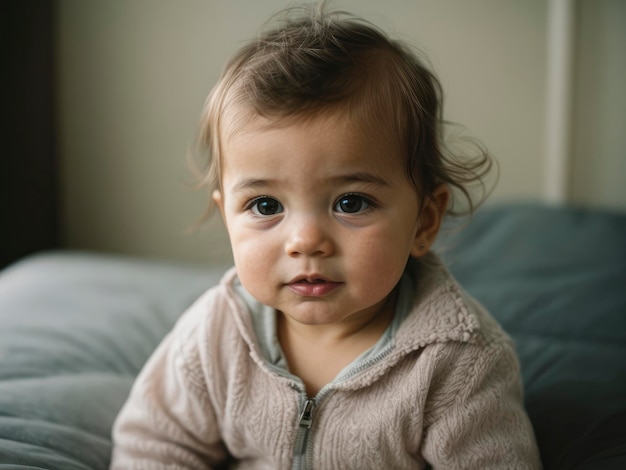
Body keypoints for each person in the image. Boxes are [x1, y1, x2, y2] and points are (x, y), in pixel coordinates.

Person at [111, 3, 541, 469]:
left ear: (424, 221)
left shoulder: (458, 364)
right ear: (227, 216)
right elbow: (153, 446)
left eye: (350, 202)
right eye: (266, 206)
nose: (306, 241)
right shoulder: (219, 332)